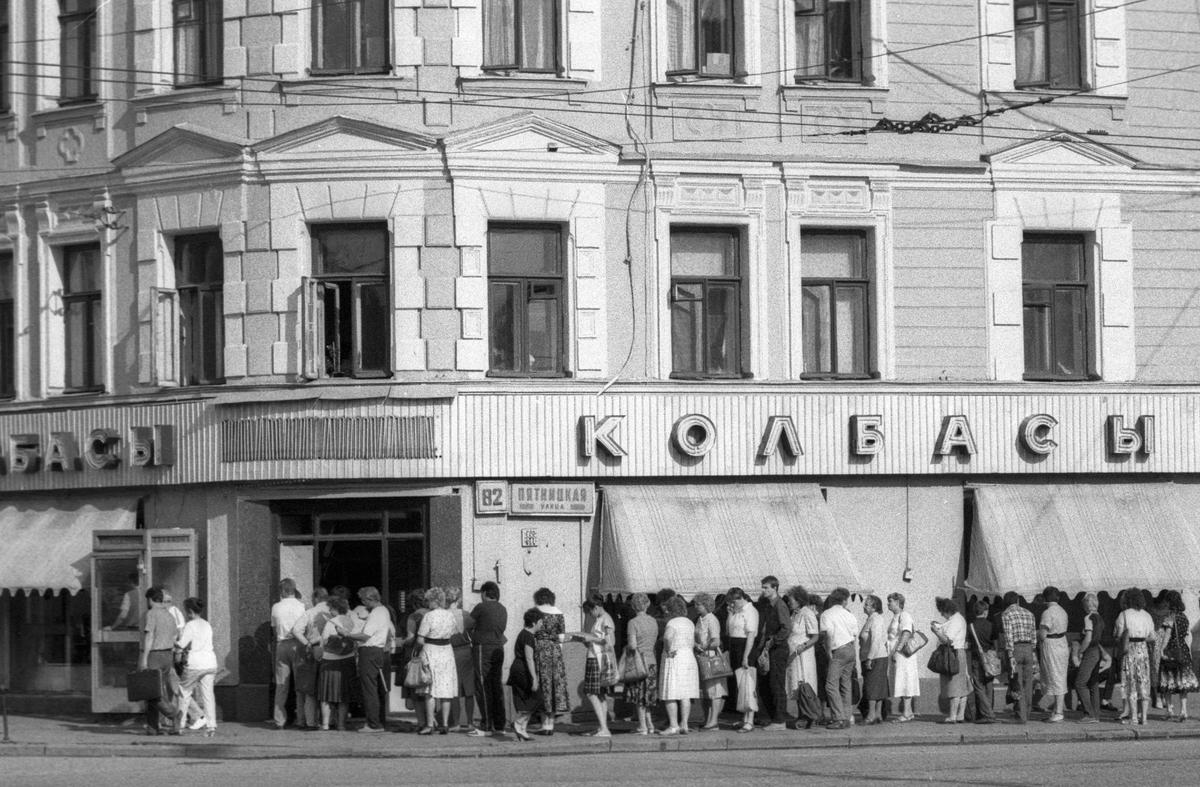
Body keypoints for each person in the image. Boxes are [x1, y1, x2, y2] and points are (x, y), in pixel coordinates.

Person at [341, 586, 393, 732]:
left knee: (369, 688)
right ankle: (377, 720)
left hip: (370, 650)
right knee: (376, 688)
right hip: (377, 650)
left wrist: (347, 634)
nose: (363, 604)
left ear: (370, 599)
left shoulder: (376, 613)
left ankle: (373, 723)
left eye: (364, 600)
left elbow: (365, 636)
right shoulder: (383, 611)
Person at [416, 586, 460, 734]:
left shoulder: (429, 616)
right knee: (446, 689)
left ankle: (429, 724)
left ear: (434, 601)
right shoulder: (450, 615)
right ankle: (445, 724)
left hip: (431, 651)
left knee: (431, 690)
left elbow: (420, 639)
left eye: (428, 600)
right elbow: (453, 632)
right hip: (447, 651)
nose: (427, 603)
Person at [139, 586, 180, 735]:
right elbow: (175, 636)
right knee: (155, 691)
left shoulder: (151, 614)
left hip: (155, 655)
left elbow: (149, 637)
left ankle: (174, 714)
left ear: (150, 600)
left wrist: (144, 658)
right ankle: (152, 728)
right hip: (168, 656)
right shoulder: (169, 615)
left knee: (152, 692)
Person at [470, 581, 508, 738]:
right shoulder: (502, 608)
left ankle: (486, 725)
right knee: (496, 685)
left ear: (485, 593)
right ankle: (499, 725)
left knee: (483, 685)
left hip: (483, 647)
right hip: (499, 647)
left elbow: (467, 623)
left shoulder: (481, 607)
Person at [175, 597, 218, 737]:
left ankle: (179, 725)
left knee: (184, 692)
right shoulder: (207, 624)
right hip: (210, 662)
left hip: (195, 663)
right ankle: (211, 726)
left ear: (189, 611)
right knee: (208, 695)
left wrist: (174, 643)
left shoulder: (190, 625)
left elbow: (182, 644)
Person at [290, 587, 331, 731]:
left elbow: (295, 630)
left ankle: (310, 722)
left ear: (315, 598)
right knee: (328, 689)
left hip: (312, 649)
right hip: (331, 652)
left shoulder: (309, 612)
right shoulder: (333, 612)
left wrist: (306, 643)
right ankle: (329, 721)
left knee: (310, 689)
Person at [269, 578, 307, 730]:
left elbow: (274, 629)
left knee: (281, 684)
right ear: (293, 590)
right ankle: (301, 719)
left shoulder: (276, 607)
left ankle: (279, 720)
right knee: (300, 684)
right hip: (298, 645)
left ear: (282, 591)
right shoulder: (302, 607)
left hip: (282, 644)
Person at [819, 587, 860, 730]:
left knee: (830, 685)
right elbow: (855, 634)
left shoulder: (827, 614)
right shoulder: (849, 614)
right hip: (850, 649)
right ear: (844, 600)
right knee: (846, 684)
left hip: (838, 649)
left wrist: (829, 651)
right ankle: (847, 716)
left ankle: (838, 717)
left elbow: (829, 633)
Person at [658, 595, 698, 735]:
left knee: (671, 692)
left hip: (675, 657)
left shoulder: (672, 623)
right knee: (685, 693)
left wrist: (668, 649)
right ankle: (684, 724)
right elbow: (692, 641)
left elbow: (668, 637)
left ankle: (673, 725)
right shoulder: (689, 622)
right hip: (688, 657)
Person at [1114, 588, 1156, 725]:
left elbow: (1119, 634)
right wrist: (1142, 638)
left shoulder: (1124, 615)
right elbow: (1152, 636)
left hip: (1129, 650)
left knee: (1130, 682)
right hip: (1142, 650)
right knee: (1143, 682)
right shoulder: (1147, 615)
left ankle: (1133, 718)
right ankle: (1144, 718)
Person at [756, 576, 792, 730]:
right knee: (768, 684)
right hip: (770, 648)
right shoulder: (769, 605)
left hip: (778, 648)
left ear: (775, 588)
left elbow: (786, 628)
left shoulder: (779, 605)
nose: (763, 590)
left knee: (776, 683)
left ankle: (779, 721)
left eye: (766, 587)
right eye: (763, 587)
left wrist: (773, 640)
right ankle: (773, 717)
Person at [532, 587, 569, 735]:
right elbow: (561, 637)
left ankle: (543, 724)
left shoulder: (535, 612)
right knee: (554, 685)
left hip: (540, 649)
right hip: (555, 651)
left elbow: (531, 632)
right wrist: (557, 650)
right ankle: (551, 725)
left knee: (543, 684)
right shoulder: (559, 613)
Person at [1156, 590, 1197, 721]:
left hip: (1171, 651)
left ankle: (1169, 710)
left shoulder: (1170, 617)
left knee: (1168, 681)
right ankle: (1184, 710)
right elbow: (1186, 634)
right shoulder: (1184, 617)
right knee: (1182, 683)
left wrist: (1161, 649)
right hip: (1183, 652)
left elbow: (1167, 635)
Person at [317, 595, 357, 731]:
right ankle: (341, 724)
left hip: (330, 661)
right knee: (343, 695)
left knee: (326, 695)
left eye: (330, 608)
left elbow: (323, 641)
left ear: (334, 608)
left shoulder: (331, 622)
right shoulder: (351, 621)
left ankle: (325, 724)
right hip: (347, 660)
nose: (329, 611)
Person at [579, 592, 616, 737]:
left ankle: (604, 727)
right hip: (596, 656)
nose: (591, 614)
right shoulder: (602, 618)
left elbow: (610, 641)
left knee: (591, 692)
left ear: (595, 607)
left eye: (590, 611)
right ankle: (603, 727)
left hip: (598, 658)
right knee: (599, 693)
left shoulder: (605, 619)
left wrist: (591, 638)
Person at [725, 587, 759, 732]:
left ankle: (750, 720)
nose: (733, 605)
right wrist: (730, 614)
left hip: (745, 647)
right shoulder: (736, 611)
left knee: (748, 684)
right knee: (740, 684)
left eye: (734, 602)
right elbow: (728, 631)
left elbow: (751, 635)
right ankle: (744, 718)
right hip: (735, 645)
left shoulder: (750, 611)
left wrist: (746, 656)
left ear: (740, 598)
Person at [624, 592, 659, 736]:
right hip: (651, 660)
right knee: (648, 696)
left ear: (633, 606)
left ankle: (642, 726)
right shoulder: (653, 621)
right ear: (647, 605)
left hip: (638, 662)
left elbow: (632, 645)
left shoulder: (633, 623)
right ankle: (650, 724)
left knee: (639, 696)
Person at [931, 597, 970, 723]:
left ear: (947, 610)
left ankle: (953, 716)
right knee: (962, 688)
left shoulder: (955, 621)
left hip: (953, 654)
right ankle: (960, 715)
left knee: (954, 686)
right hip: (959, 653)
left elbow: (947, 640)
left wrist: (936, 632)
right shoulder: (957, 618)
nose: (942, 614)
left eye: (942, 611)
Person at [784, 585, 820, 721]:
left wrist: (803, 646)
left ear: (799, 600)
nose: (789, 602)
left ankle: (808, 715)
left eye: (791, 599)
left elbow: (815, 636)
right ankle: (801, 714)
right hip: (793, 656)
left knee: (804, 683)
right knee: (796, 685)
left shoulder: (807, 613)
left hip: (803, 656)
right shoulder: (794, 614)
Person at [1001, 591, 1038, 724]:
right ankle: (1026, 714)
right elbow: (1034, 635)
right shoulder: (1029, 613)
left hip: (1016, 649)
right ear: (1017, 601)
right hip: (1028, 648)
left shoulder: (1006, 614)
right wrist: (1033, 651)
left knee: (1017, 683)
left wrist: (1010, 654)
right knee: (1028, 683)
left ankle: (1020, 716)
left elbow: (1008, 635)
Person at [444, 586, 477, 732]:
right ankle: (470, 722)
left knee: (454, 689)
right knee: (469, 689)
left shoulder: (443, 615)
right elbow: (473, 631)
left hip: (449, 651)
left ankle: (455, 722)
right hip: (466, 651)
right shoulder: (466, 615)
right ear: (459, 599)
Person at [507, 608, 543, 742]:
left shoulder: (524, 634)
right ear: (534, 623)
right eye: (540, 621)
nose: (541, 624)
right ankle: (519, 723)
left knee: (528, 699)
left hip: (518, 668)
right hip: (523, 670)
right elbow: (529, 658)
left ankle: (522, 729)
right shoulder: (528, 636)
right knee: (537, 697)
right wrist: (534, 678)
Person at [692, 592, 726, 730]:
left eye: (698, 604)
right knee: (706, 691)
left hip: (711, 656)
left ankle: (713, 720)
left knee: (714, 690)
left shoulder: (711, 619)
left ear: (706, 605)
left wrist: (703, 646)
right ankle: (707, 719)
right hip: (702, 656)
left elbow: (716, 641)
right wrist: (696, 645)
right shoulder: (700, 619)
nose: (695, 607)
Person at [1072, 592, 1106, 724]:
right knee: (1093, 683)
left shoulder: (1088, 618)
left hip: (1090, 651)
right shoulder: (1100, 617)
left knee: (1080, 683)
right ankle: (1096, 714)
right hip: (1097, 650)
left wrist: (1080, 651)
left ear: (1086, 605)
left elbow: (1088, 638)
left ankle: (1089, 713)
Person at [1038, 586, 1069, 723]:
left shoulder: (1047, 613)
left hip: (1052, 644)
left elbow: (1043, 634)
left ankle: (1058, 711)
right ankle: (1057, 709)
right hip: (1062, 642)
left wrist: (1035, 635)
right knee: (1060, 675)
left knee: (1055, 676)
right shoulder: (1063, 611)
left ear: (1045, 598)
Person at [886, 592, 919, 723]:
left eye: (890, 601)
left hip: (904, 655)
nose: (888, 603)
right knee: (901, 680)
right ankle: (909, 712)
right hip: (898, 655)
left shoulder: (904, 615)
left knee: (905, 680)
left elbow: (906, 632)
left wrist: (896, 650)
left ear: (898, 602)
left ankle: (906, 712)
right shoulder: (896, 616)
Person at [400, 588, 429, 730]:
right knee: (429, 689)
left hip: (416, 654)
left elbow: (411, 638)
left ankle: (421, 722)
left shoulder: (414, 616)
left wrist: (400, 642)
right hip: (432, 653)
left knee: (416, 689)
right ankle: (432, 720)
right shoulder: (432, 614)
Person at [858, 594, 889, 725]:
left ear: (874, 607)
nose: (864, 606)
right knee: (878, 686)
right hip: (878, 656)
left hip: (874, 656)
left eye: (867, 604)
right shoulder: (873, 619)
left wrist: (870, 658)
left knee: (871, 686)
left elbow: (876, 640)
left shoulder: (875, 619)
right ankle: (877, 714)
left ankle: (871, 715)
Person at [967, 598, 997, 724]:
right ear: (985, 611)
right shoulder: (991, 625)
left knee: (979, 686)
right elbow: (995, 643)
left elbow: (968, 644)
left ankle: (987, 713)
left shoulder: (971, 626)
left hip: (977, 658)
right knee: (989, 685)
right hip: (990, 658)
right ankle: (988, 711)